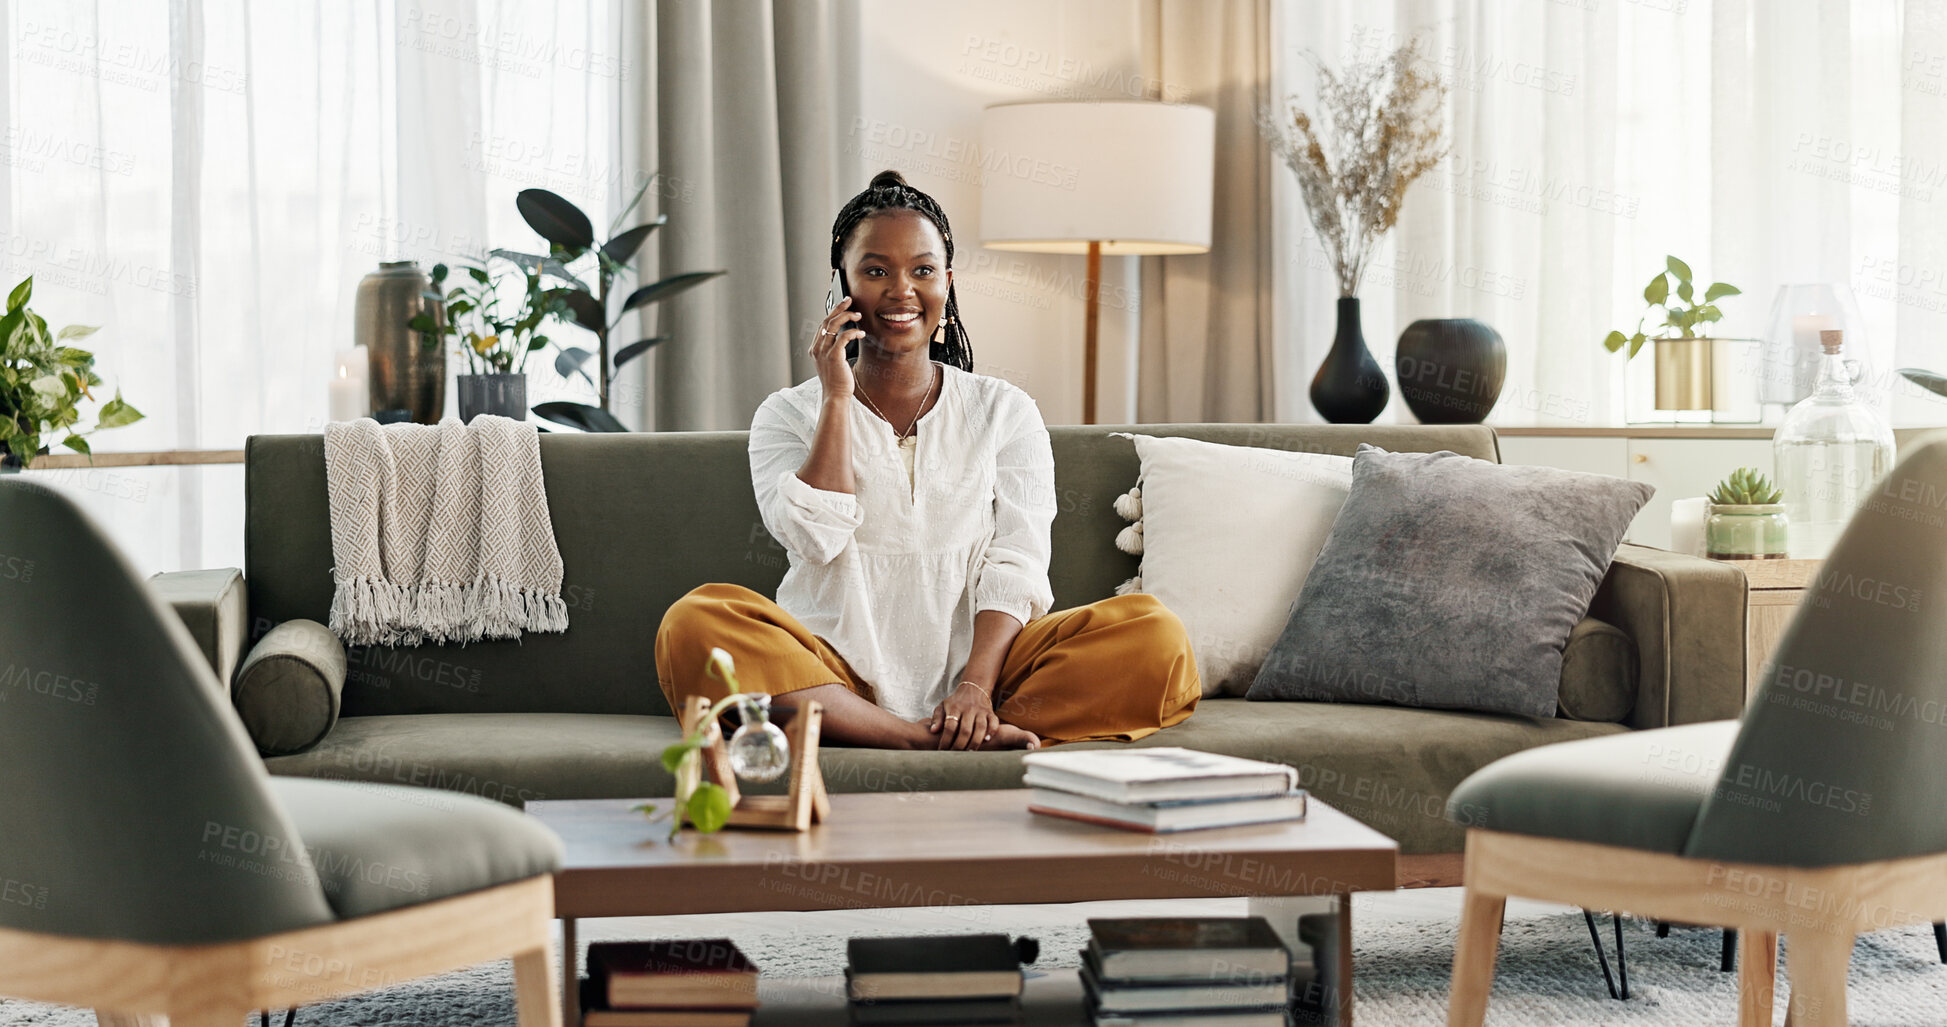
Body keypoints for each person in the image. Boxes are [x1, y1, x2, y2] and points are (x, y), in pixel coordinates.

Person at [655, 170, 1200, 750]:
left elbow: (1017, 564)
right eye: (875, 270)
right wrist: (837, 397)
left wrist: (975, 688)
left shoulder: (1005, 409)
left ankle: (959, 722)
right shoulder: (786, 414)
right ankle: (916, 737)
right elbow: (814, 538)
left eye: (922, 270)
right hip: (827, 671)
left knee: (1155, 637)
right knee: (695, 624)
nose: (901, 290)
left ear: (947, 281)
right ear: (842, 283)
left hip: (991, 678)